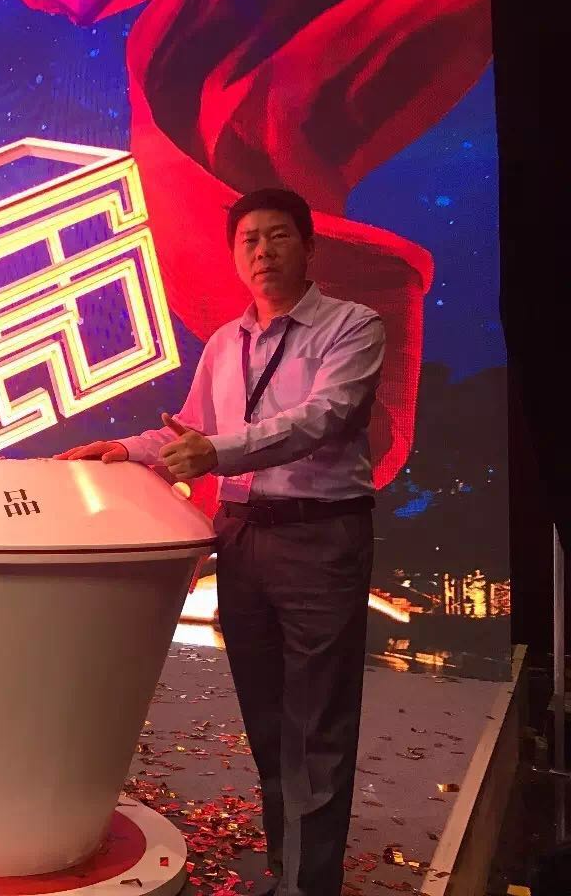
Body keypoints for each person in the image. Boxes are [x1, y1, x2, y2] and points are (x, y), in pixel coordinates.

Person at [57, 188, 385, 896]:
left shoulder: (353, 326)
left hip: (320, 537)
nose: (263, 252)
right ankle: (287, 871)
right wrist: (126, 449)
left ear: (308, 246)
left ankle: (309, 887)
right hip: (239, 538)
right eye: (248, 240)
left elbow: (323, 417)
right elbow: (190, 430)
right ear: (236, 256)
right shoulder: (224, 344)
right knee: (266, 718)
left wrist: (217, 453)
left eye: (278, 236)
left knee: (318, 723)